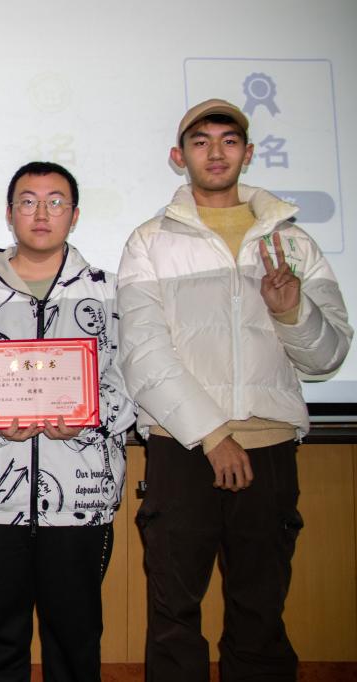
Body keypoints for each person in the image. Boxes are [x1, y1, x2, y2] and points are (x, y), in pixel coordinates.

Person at [118, 99, 352, 681]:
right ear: (179, 157)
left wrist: (292, 311)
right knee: (174, 614)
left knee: (260, 611)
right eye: (200, 142)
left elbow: (327, 357)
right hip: (182, 446)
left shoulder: (292, 242)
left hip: (269, 445)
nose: (215, 152)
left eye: (228, 140)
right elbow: (144, 353)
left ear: (247, 153)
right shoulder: (150, 241)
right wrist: (213, 435)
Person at [0, 161, 134, 681]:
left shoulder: (112, 296)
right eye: (27, 201)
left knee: (76, 634)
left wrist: (88, 418)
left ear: (75, 215)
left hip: (83, 491)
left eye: (55, 201)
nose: (41, 213)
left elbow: (134, 383)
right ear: (9, 213)